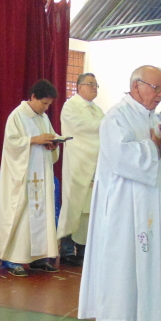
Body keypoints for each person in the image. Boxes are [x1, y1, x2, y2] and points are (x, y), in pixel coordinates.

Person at [78, 65, 161, 321]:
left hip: (147, 203)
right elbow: (121, 156)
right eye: (155, 88)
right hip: (122, 205)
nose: (159, 95)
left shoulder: (153, 119)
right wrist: (154, 146)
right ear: (136, 85)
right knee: (120, 262)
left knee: (144, 261)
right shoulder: (117, 117)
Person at [0, 79, 60, 277]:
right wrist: (34, 140)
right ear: (33, 97)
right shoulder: (17, 116)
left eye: (49, 104)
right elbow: (11, 144)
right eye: (44, 103)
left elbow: (50, 137)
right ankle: (13, 260)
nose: (46, 108)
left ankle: (38, 258)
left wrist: (53, 143)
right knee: (22, 216)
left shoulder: (43, 118)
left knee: (41, 215)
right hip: (22, 176)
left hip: (40, 174)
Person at [56, 73, 104, 266]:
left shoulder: (98, 110)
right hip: (78, 163)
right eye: (90, 84)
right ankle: (67, 249)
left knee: (89, 209)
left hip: (95, 164)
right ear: (79, 87)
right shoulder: (71, 106)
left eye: (96, 84)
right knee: (73, 205)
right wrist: (104, 125)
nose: (94, 87)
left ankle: (84, 249)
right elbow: (81, 129)